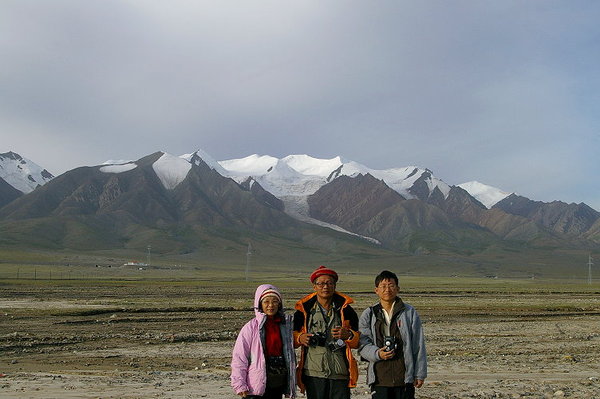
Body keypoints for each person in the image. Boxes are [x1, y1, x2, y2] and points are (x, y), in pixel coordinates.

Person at [293, 265, 360, 399]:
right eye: (321, 283)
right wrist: (300, 338)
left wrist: (349, 335)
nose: (325, 287)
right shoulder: (304, 310)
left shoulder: (346, 310)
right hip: (313, 372)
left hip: (340, 372)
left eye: (329, 283)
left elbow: (358, 341)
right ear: (314, 286)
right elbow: (290, 338)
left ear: (335, 285)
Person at [358, 270, 427, 399]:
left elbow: (418, 344)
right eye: (383, 286)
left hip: (404, 377)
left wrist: (420, 373)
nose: (387, 289)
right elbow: (363, 344)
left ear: (397, 289)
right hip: (379, 377)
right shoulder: (369, 314)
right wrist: (377, 353)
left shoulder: (409, 312)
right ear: (376, 290)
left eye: (391, 285)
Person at [231, 284, 297, 399]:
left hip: (277, 382)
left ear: (279, 304)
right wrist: (239, 384)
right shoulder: (251, 327)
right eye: (266, 302)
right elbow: (240, 357)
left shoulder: (285, 326)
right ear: (260, 304)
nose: (271, 305)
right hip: (255, 386)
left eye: (275, 301)